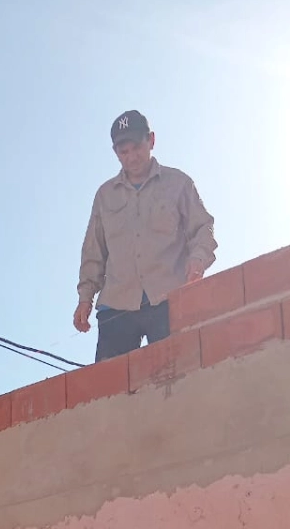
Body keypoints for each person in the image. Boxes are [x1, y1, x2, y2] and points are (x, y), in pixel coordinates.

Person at [74, 109, 217, 362]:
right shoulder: (105, 195)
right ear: (115, 152)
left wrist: (198, 259)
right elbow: (93, 251)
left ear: (151, 140)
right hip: (116, 307)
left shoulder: (178, 183)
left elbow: (202, 228)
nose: (132, 158)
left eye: (137, 148)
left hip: (169, 299)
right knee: (110, 390)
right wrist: (85, 298)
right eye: (123, 152)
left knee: (178, 378)